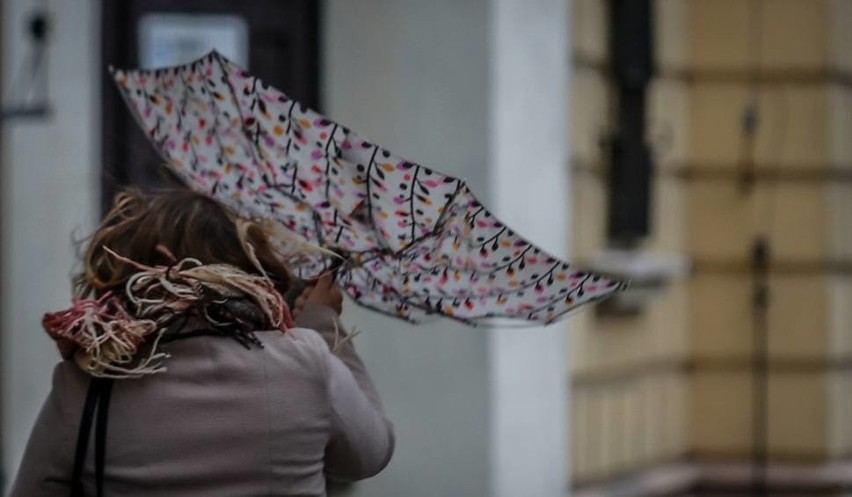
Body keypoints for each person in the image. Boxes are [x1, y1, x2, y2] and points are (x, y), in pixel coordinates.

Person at [9, 189, 394, 497]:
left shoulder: (86, 385)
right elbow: (369, 454)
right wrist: (326, 327)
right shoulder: (305, 360)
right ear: (247, 268)